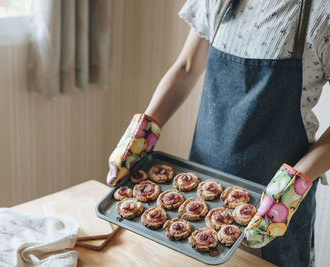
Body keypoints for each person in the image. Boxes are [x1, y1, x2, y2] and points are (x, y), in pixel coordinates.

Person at [106, 0, 330, 266]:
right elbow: (187, 66)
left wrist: (292, 188)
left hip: (276, 209)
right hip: (199, 193)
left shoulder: (322, 12)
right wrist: (142, 132)